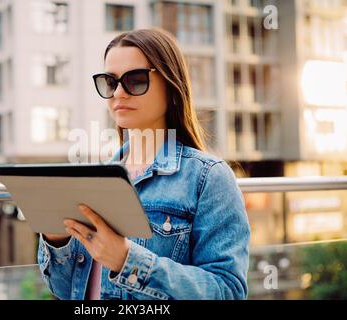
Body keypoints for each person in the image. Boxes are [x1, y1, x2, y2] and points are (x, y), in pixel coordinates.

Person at [37, 28, 250, 300]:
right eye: (110, 82)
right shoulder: (95, 181)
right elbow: (69, 291)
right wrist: (58, 241)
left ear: (171, 85)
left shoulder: (208, 177)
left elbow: (228, 292)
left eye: (135, 80)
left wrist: (127, 260)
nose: (119, 93)